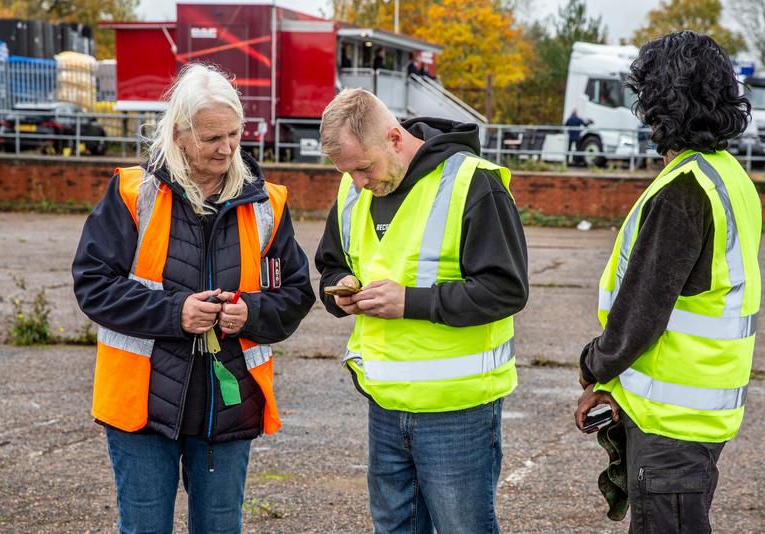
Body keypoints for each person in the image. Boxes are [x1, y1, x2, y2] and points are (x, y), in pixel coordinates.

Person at [72, 63, 315, 532]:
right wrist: (176, 312)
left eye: (234, 134)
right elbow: (93, 284)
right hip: (141, 408)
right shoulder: (134, 192)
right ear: (179, 135)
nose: (227, 147)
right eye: (211, 138)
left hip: (228, 408)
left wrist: (250, 313)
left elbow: (296, 293)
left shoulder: (267, 203)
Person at [315, 88, 528, 533]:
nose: (358, 182)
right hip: (385, 404)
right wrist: (340, 291)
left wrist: (410, 302)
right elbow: (332, 264)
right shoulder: (354, 189)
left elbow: (506, 289)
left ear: (395, 138)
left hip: (458, 411)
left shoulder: (473, 182)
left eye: (364, 168)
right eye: (347, 171)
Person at [574, 31, 761, 534]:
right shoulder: (728, 175)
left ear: (659, 105)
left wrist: (593, 368)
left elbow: (642, 309)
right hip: (698, 413)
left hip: (671, 424)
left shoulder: (684, 190)